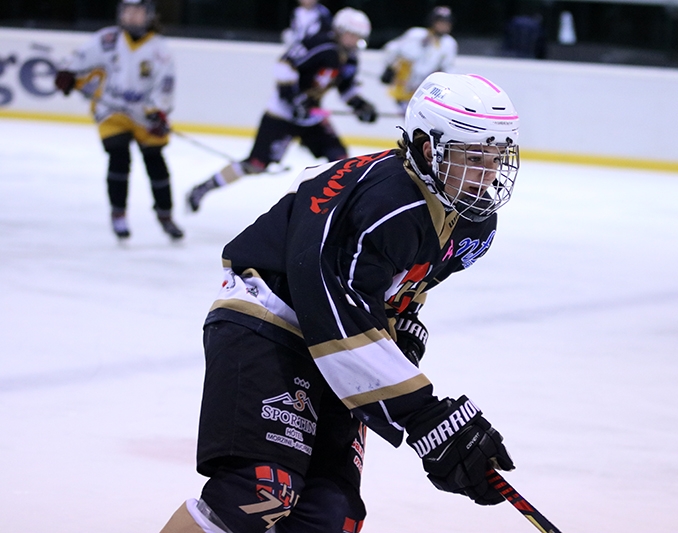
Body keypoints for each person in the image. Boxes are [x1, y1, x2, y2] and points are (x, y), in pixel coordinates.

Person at [158, 71, 520, 533]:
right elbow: (335, 315)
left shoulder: (473, 223)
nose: (488, 173)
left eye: (495, 157)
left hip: (333, 345)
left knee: (332, 515)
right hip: (268, 320)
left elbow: (399, 289)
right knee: (261, 489)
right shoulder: (386, 202)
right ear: (430, 149)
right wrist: (427, 416)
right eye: (473, 157)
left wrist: (401, 328)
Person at [186, 7, 378, 213]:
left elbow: (345, 87)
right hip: (282, 115)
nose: (353, 40)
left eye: (358, 37)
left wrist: (360, 105)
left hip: (310, 117)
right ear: (339, 30)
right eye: (351, 34)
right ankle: (204, 188)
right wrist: (293, 100)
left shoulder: (350, 58)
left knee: (341, 160)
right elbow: (285, 65)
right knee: (256, 164)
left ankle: (334, 213)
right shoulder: (320, 45)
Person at [53, 0, 183, 241]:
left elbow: (165, 87)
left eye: (138, 12)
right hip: (111, 111)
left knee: (155, 161)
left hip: (144, 115)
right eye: (127, 11)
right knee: (118, 155)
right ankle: (118, 213)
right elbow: (77, 61)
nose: (132, 17)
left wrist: (157, 111)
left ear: (149, 15)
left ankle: (165, 215)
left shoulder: (160, 50)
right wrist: (68, 74)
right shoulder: (107, 39)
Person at [379, 6, 458, 113]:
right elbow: (392, 49)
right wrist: (389, 68)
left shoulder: (449, 44)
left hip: (424, 90)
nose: (443, 25)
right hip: (402, 87)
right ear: (432, 22)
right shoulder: (416, 34)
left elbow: (448, 68)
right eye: (440, 22)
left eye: (447, 22)